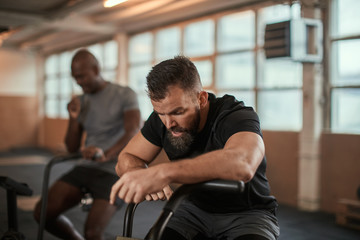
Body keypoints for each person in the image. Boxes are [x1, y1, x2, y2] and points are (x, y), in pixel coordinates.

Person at [110, 56, 280, 240]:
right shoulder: (164, 119)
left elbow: (243, 164)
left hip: (247, 214)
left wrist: (163, 173)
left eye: (178, 112)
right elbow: (126, 157)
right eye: (161, 114)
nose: (168, 123)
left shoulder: (235, 116)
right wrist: (137, 171)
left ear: (201, 98)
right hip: (191, 211)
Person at [34, 49, 141, 240]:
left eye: (82, 76)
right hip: (86, 166)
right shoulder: (81, 101)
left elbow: (132, 130)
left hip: (114, 170)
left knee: (93, 232)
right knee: (41, 213)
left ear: (96, 69)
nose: (79, 82)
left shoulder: (124, 94)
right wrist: (73, 118)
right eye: (75, 78)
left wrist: (106, 154)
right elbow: (72, 147)